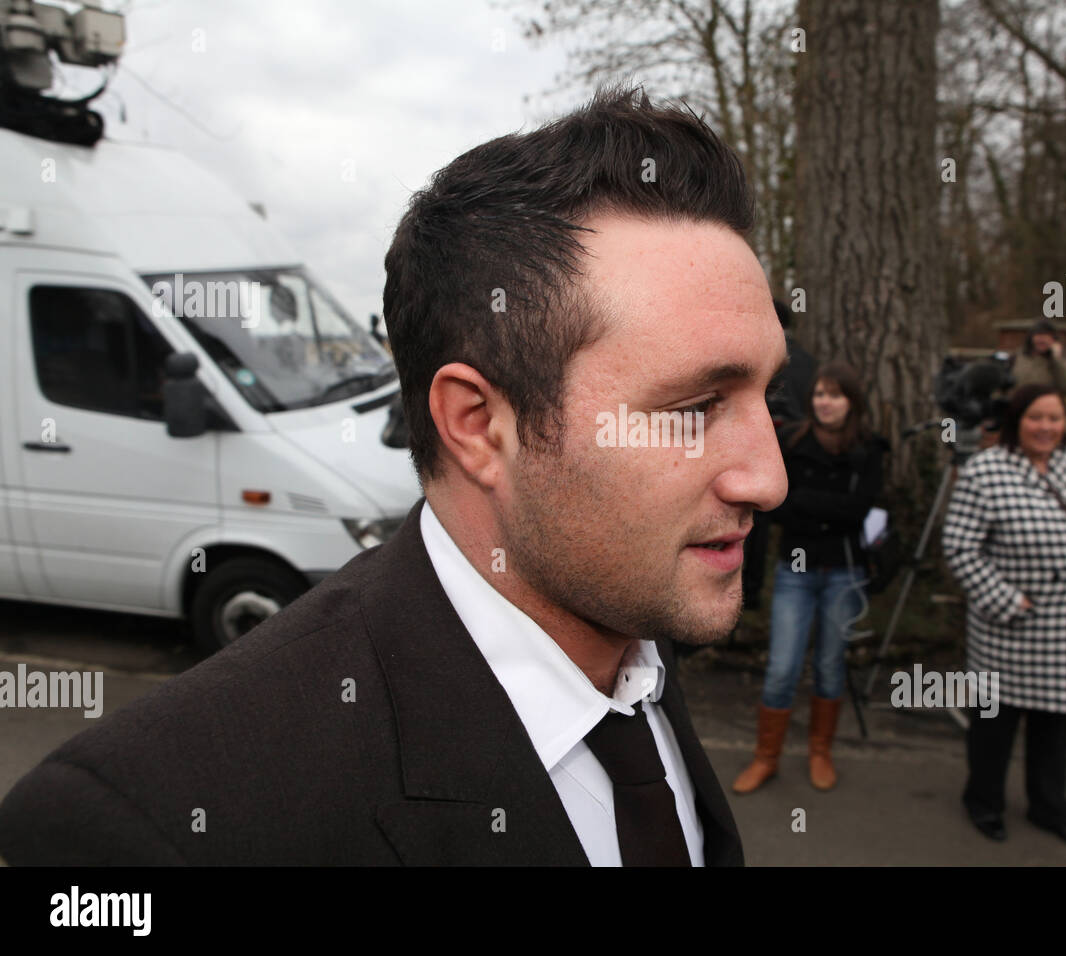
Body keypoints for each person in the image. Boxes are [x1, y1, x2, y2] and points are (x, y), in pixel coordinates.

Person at [0, 87, 790, 866]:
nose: (770, 479)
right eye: (695, 407)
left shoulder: (629, 603)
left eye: (767, 395)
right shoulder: (146, 827)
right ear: (479, 426)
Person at [942, 384, 1066, 849]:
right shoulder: (986, 468)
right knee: (994, 726)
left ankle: (1049, 807)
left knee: (1053, 727)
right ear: (1018, 420)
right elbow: (960, 547)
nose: (1046, 427)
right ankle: (984, 802)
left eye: (1055, 419)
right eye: (1036, 418)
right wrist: (1004, 600)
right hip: (1009, 623)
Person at [732, 362, 886, 793]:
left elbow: (862, 509)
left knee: (829, 665)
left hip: (844, 571)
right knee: (782, 667)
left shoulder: (870, 449)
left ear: (851, 402)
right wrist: (821, 505)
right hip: (796, 569)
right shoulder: (792, 441)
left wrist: (805, 501)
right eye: (819, 393)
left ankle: (820, 751)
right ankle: (766, 757)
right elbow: (776, 503)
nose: (825, 402)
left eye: (835, 394)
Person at [742, 298, 818, 610]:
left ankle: (751, 591)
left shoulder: (759, 357)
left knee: (753, 524)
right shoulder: (810, 362)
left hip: (764, 446)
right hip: (802, 453)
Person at [1011, 319, 1066, 396]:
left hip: (1047, 406)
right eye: (1038, 335)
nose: (1042, 339)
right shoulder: (1018, 357)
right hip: (1020, 405)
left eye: (1046, 336)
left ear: (1053, 339)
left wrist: (1057, 359)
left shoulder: (1059, 360)